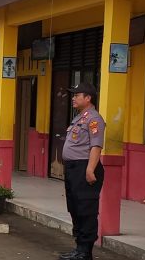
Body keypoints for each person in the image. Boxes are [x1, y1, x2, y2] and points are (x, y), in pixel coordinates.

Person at [59, 83, 105, 260]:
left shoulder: (94, 119)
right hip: (73, 169)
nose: (73, 98)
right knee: (75, 207)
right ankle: (78, 248)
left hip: (84, 168)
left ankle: (85, 251)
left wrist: (90, 169)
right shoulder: (79, 118)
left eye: (77, 95)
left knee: (86, 208)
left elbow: (96, 146)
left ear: (88, 98)